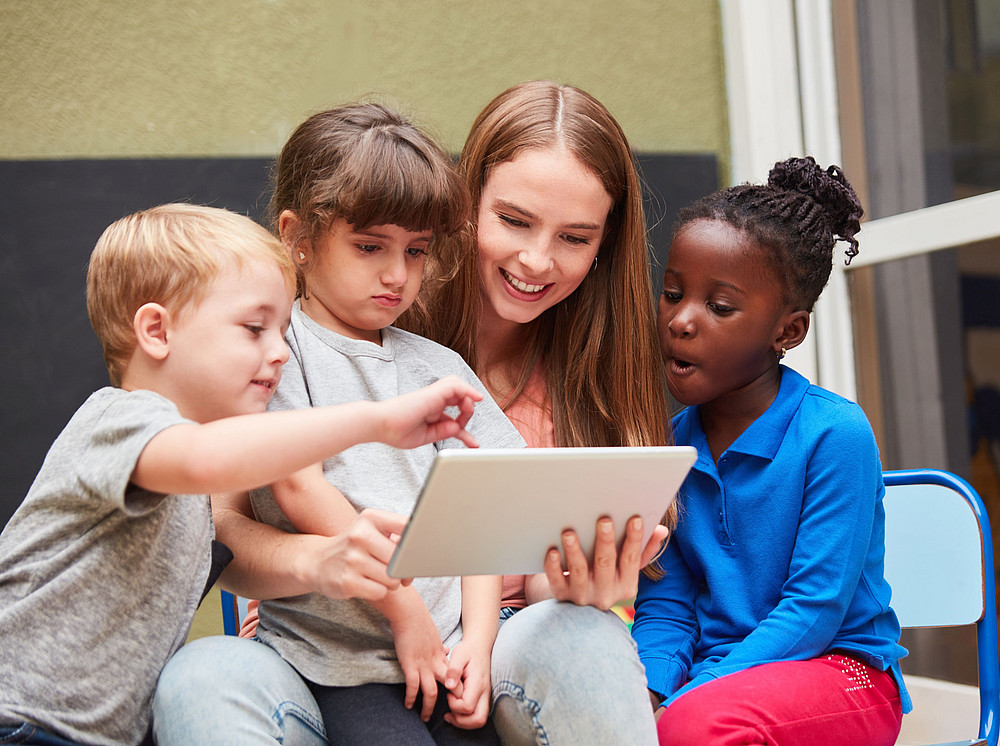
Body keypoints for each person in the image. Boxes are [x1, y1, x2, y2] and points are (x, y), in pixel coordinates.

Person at [0, 203, 491, 746]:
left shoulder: (192, 483)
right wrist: (376, 421)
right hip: (21, 721)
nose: (280, 352)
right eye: (255, 328)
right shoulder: (119, 419)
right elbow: (207, 456)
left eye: (282, 331)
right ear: (157, 331)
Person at [153, 104, 524, 746]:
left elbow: (482, 509)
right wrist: (403, 607)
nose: (396, 275)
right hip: (340, 668)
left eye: (416, 251)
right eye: (369, 247)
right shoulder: (278, 352)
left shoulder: (438, 365)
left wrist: (480, 644)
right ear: (298, 235)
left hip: (448, 652)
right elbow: (296, 487)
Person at [401, 79, 670, 745]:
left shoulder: (595, 380)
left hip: (508, 662)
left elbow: (542, 611)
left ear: (605, 244)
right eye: (514, 221)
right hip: (365, 650)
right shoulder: (380, 325)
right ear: (466, 205)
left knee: (589, 634)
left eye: (574, 238)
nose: (536, 260)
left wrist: (580, 590)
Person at [631, 156, 912, 746]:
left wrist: (685, 699)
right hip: (717, 684)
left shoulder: (834, 435)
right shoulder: (670, 445)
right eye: (673, 293)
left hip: (842, 672)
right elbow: (668, 606)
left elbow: (813, 611)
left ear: (788, 332)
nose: (680, 321)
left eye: (719, 306)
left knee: (694, 727)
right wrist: (644, 694)